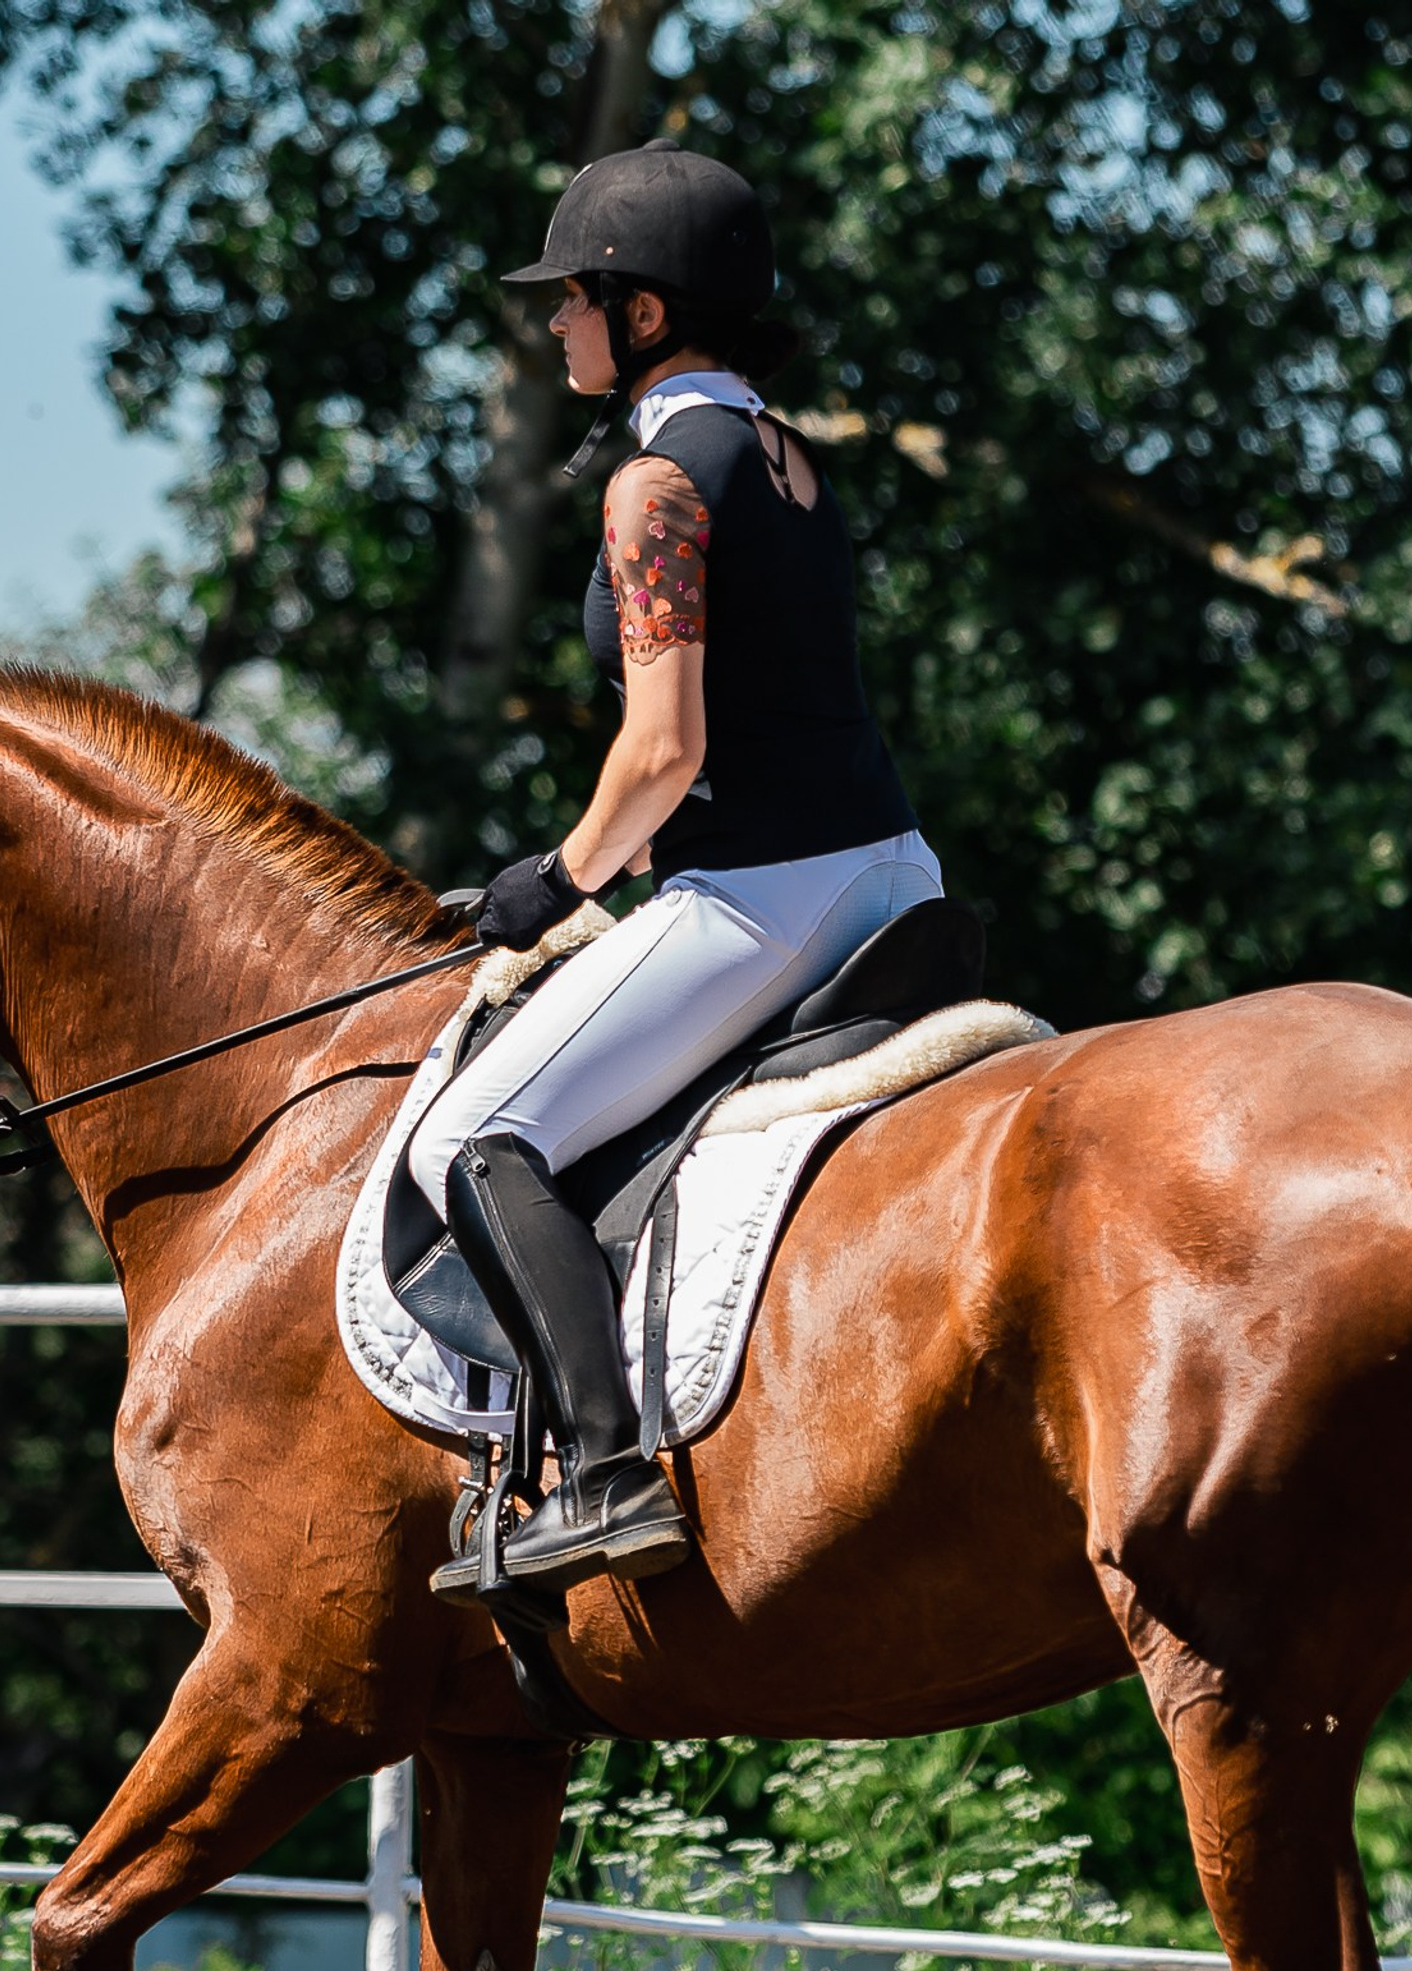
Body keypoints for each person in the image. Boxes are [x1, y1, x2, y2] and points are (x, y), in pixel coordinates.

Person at [418, 136, 941, 1605]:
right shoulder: (787, 458)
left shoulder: (655, 482)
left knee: (478, 1137)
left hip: (761, 896)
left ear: (641, 313)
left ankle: (602, 1476)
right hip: (893, 872)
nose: (554, 324)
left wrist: (556, 881)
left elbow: (662, 751)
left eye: (573, 297)